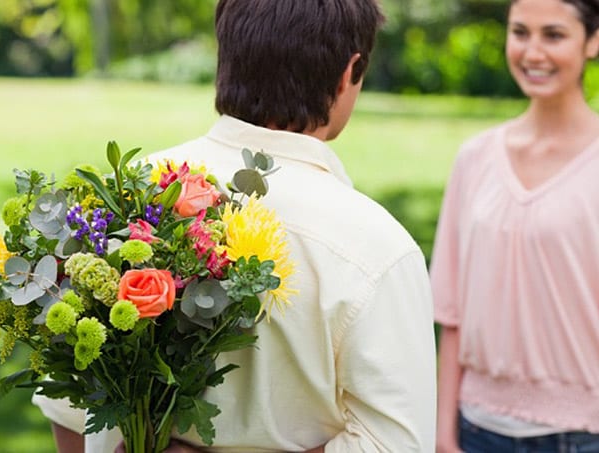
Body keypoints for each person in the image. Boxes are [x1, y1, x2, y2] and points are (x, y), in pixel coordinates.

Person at [34, 0, 437, 451]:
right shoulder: (376, 249)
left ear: (227, 53)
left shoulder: (118, 200)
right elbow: (395, 443)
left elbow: (68, 408)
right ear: (350, 72)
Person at [432, 0, 599, 452]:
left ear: (593, 41)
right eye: (520, 32)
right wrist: (443, 435)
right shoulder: (475, 159)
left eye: (554, 34)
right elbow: (452, 316)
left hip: (585, 436)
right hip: (476, 429)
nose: (533, 51)